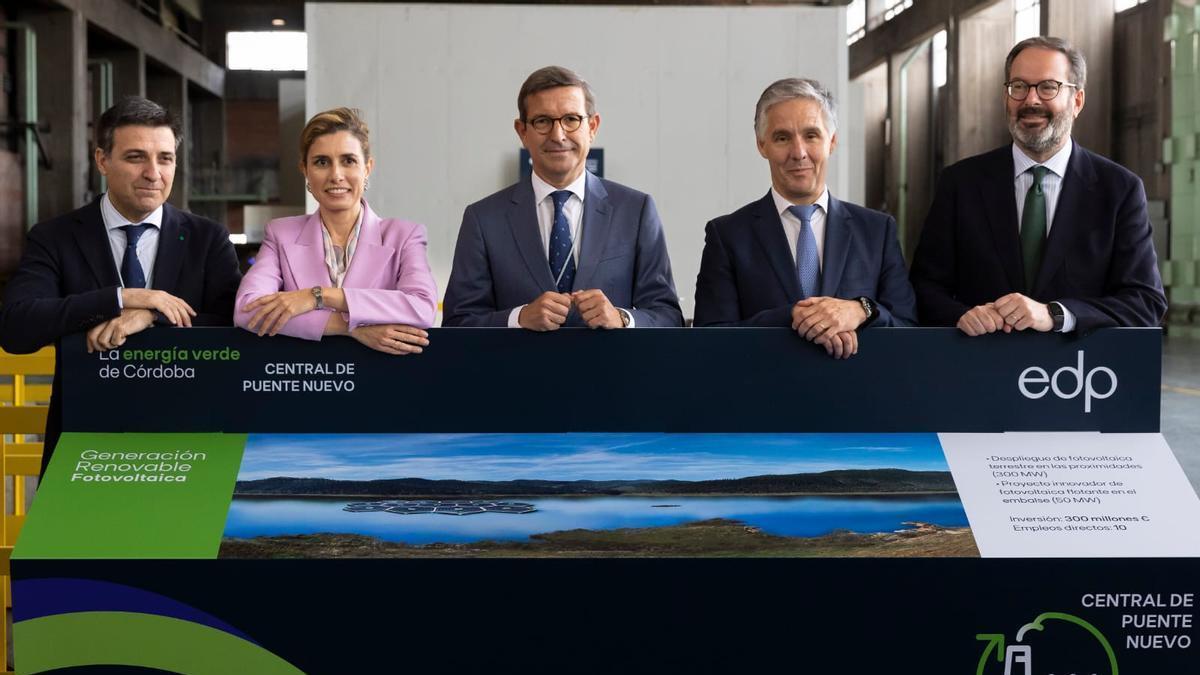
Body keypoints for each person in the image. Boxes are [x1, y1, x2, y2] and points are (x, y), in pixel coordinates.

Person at [0, 96, 241, 474]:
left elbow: (233, 325)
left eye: (165, 158)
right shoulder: (55, 237)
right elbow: (16, 326)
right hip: (85, 446)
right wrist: (120, 297)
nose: (153, 173)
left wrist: (149, 314)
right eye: (135, 157)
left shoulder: (207, 239)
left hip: (189, 444)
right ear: (102, 161)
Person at [910, 37, 1167, 335]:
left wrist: (1056, 315)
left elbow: (1145, 302)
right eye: (1018, 86)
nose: (1031, 100)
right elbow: (922, 287)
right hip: (979, 368)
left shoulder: (1120, 190)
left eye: (1048, 87)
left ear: (1077, 101)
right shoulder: (960, 184)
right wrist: (962, 315)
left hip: (1078, 375)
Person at [442, 65, 683, 329]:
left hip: (611, 370)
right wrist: (518, 318)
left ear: (592, 126)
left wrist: (622, 318)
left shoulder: (635, 211)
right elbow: (457, 322)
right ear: (522, 131)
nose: (558, 136)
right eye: (543, 121)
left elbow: (668, 317)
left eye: (571, 119)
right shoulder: (483, 219)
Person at [693, 78, 916, 358]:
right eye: (782, 137)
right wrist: (793, 317)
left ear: (832, 141)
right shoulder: (727, 236)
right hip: (762, 394)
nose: (798, 153)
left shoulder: (877, 231)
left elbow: (908, 327)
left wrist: (861, 309)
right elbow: (709, 336)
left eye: (811, 135)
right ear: (762, 145)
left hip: (857, 395)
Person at [234, 107, 437, 353]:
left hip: (380, 381)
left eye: (348, 161)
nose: (336, 175)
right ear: (305, 170)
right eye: (322, 162)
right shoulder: (280, 234)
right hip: (305, 379)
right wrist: (351, 327)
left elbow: (422, 308)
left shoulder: (404, 235)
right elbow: (248, 310)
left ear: (367, 168)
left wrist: (317, 297)